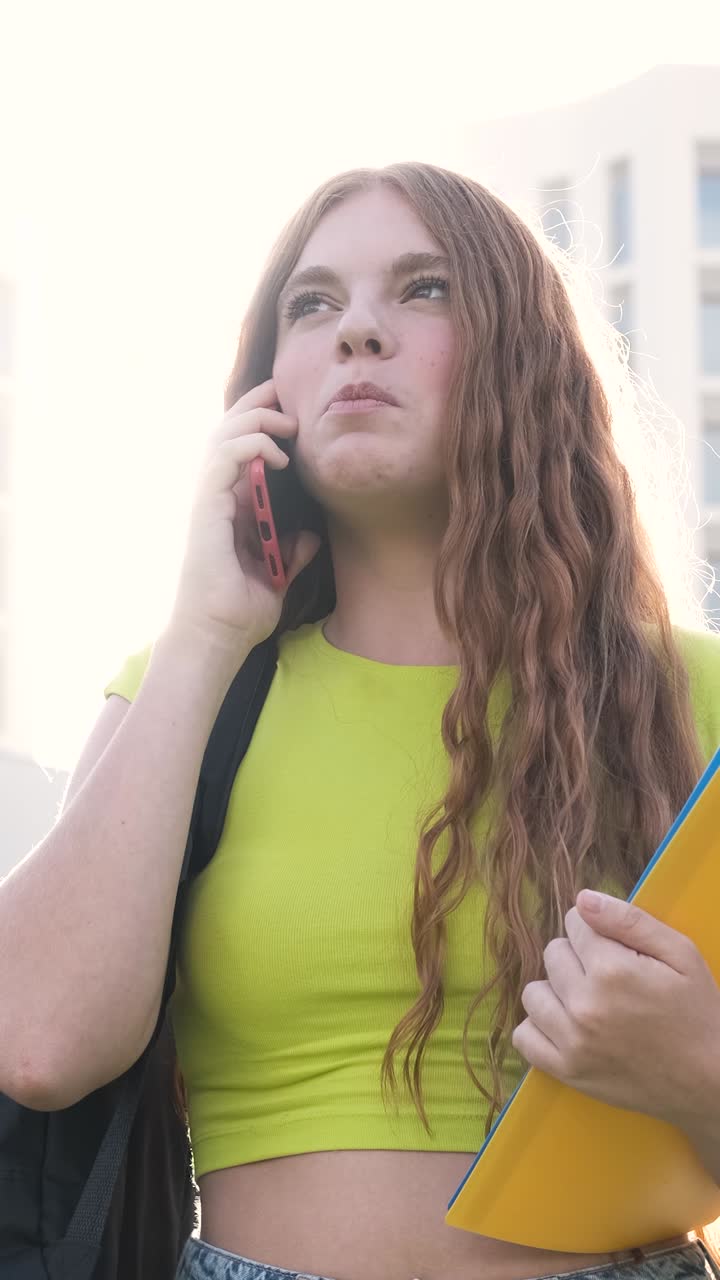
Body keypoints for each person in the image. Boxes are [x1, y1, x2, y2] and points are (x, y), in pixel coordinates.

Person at [3, 161, 720, 1280]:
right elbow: (36, 1042)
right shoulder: (194, 681)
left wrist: (701, 1066)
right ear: (265, 386)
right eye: (313, 303)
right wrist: (202, 629)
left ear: (523, 356)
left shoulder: (687, 693)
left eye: (423, 288)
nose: (359, 333)